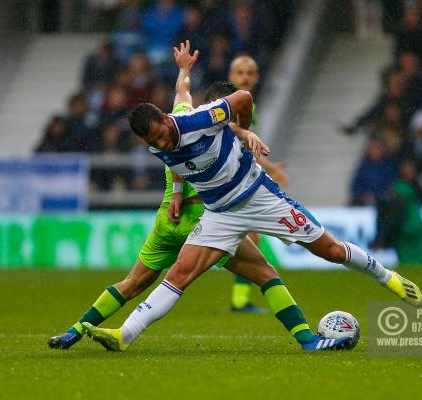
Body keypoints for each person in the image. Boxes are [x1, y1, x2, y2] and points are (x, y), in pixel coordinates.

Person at [81, 44, 422, 354]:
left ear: (166, 123)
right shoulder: (160, 138)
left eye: (164, 135)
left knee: (330, 250)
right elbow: (181, 92)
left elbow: (243, 97)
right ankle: (124, 335)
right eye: (156, 141)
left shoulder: (198, 120)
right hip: (218, 213)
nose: (164, 143)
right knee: (179, 274)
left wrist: (243, 130)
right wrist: (184, 70)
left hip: (259, 197)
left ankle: (386, 277)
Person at [48, 42, 333, 351]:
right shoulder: (212, 129)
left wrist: (184, 69)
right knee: (265, 274)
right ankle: (307, 339)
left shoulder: (174, 123)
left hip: (166, 220)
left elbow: (182, 93)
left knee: (132, 283)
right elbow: (232, 140)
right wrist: (248, 135)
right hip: (204, 220)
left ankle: (74, 332)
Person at [226, 54, 289, 312]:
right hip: (221, 182)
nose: (245, 77)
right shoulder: (230, 106)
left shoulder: (249, 106)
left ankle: (240, 300)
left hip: (232, 180)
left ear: (257, 77)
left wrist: (271, 168)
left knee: (250, 236)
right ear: (230, 77)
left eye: (250, 72)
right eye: (240, 72)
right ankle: (240, 300)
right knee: (246, 237)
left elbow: (243, 149)